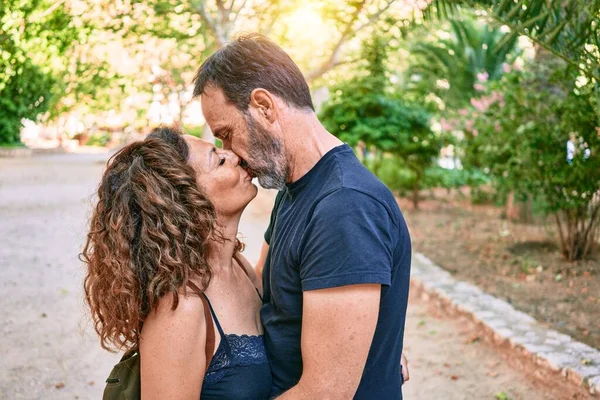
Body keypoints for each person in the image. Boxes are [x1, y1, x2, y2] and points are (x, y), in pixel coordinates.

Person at [193, 34, 412, 399]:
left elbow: (323, 393)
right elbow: (267, 291)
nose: (232, 154)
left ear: (263, 105)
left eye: (227, 134)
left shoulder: (345, 206)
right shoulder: (298, 189)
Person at [82, 127, 271, 399]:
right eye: (218, 160)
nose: (234, 156)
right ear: (187, 199)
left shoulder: (239, 267)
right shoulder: (180, 309)